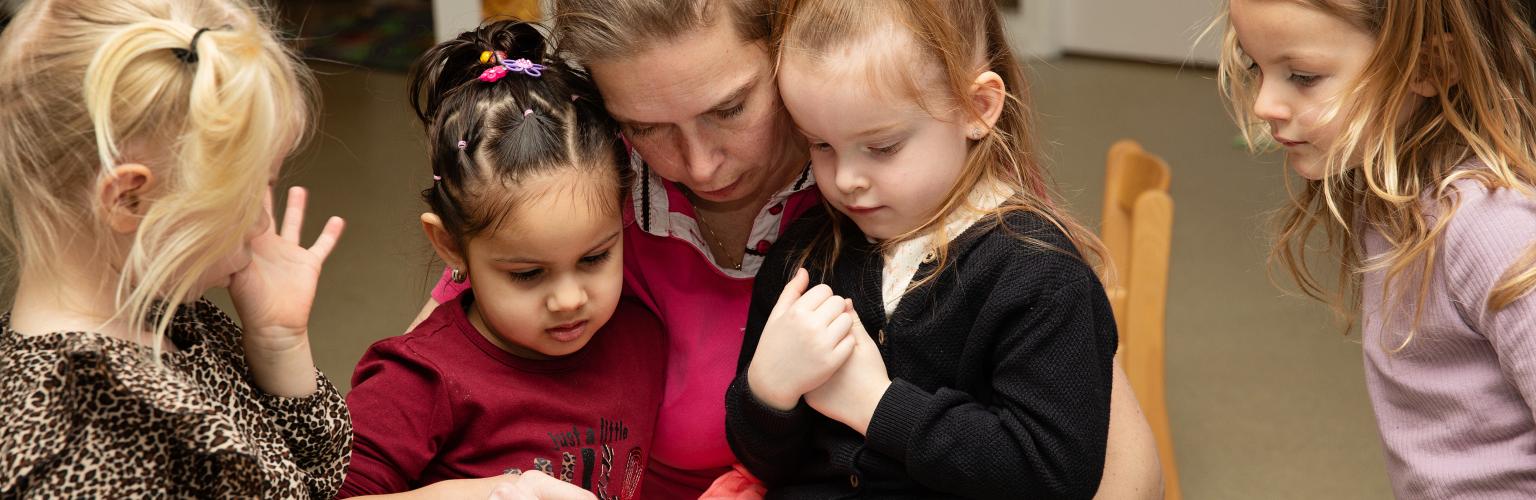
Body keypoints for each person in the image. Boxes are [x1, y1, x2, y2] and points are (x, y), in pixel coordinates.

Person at [420, 1, 1161, 497]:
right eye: (644, 128)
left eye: (731, 108)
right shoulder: (574, 176)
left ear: (789, 40)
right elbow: (424, 382)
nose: (702, 165)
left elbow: (1113, 467)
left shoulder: (919, 185)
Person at [723, 1, 1123, 497]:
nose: (845, 180)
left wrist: (877, 406)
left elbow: (1051, 475)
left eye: (882, 146)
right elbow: (767, 462)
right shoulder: (806, 256)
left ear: (977, 109)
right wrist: (767, 393)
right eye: (820, 145)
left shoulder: (1039, 277)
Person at [0, 0, 351, 496]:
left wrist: (278, 342)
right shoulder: (83, 455)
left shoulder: (164, 313)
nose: (258, 224)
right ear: (129, 200)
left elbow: (310, 480)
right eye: (250, 192)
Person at [1218, 0, 1536, 496]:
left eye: (1302, 76)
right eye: (1256, 67)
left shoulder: (1492, 227)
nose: (1263, 105)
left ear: (1432, 65)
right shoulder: (1397, 196)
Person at [339, 20, 663, 500]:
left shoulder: (642, 339)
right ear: (450, 245)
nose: (570, 299)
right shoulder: (416, 381)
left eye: (595, 258)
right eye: (528, 273)